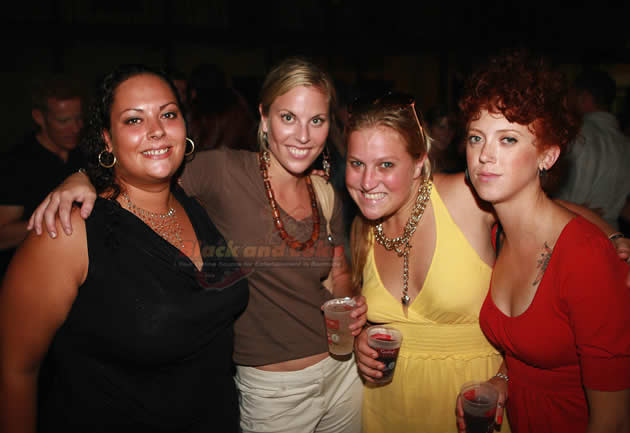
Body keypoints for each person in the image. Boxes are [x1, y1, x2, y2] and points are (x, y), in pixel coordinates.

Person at [27, 57, 366, 433]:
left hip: (343, 372)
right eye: (288, 117)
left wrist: (349, 302)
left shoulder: (324, 190)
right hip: (275, 390)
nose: (303, 135)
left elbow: (338, 270)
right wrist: (80, 177)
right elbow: (146, 167)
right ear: (264, 117)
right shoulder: (220, 171)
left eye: (316, 120)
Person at [346, 89, 630, 433]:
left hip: (474, 403)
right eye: (356, 163)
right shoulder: (362, 228)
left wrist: (613, 237)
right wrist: (361, 338)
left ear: (419, 162)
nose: (367, 181)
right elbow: (362, 312)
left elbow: (542, 206)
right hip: (387, 410)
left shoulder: (463, 198)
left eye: (386, 164)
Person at [0, 64, 248, 431]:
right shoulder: (69, 232)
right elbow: (15, 371)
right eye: (134, 120)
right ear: (107, 139)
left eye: (168, 114)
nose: (156, 130)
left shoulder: (195, 203)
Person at [458, 50, 630, 432]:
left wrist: (611, 237)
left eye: (508, 139)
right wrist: (501, 381)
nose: (484, 155)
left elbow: (615, 420)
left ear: (547, 157)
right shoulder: (497, 232)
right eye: (476, 138)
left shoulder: (584, 258)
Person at [0, 73, 84, 277]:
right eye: (64, 121)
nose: (75, 128)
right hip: (27, 274)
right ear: (39, 118)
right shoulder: (16, 163)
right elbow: (2, 235)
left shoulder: (86, 152)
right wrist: (67, 222)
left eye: (79, 118)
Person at [552, 68, 630, 229]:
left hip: (569, 230)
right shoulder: (625, 143)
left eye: (570, 94)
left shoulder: (574, 133)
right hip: (612, 235)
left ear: (584, 97)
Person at [424, 103, 465, 173]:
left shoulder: (454, 160)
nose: (446, 133)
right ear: (427, 127)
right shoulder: (419, 160)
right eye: (441, 127)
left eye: (451, 128)